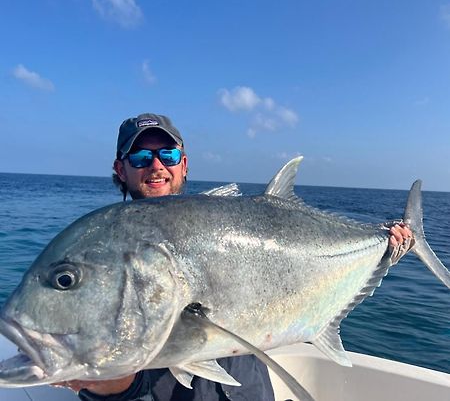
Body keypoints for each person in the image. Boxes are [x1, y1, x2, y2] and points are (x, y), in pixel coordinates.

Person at [61, 112, 413, 401]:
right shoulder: (100, 254)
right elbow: (119, 381)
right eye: (140, 157)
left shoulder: (228, 227)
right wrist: (103, 386)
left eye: (167, 155)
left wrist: (380, 252)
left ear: (183, 165)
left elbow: (301, 289)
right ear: (120, 170)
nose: (156, 166)